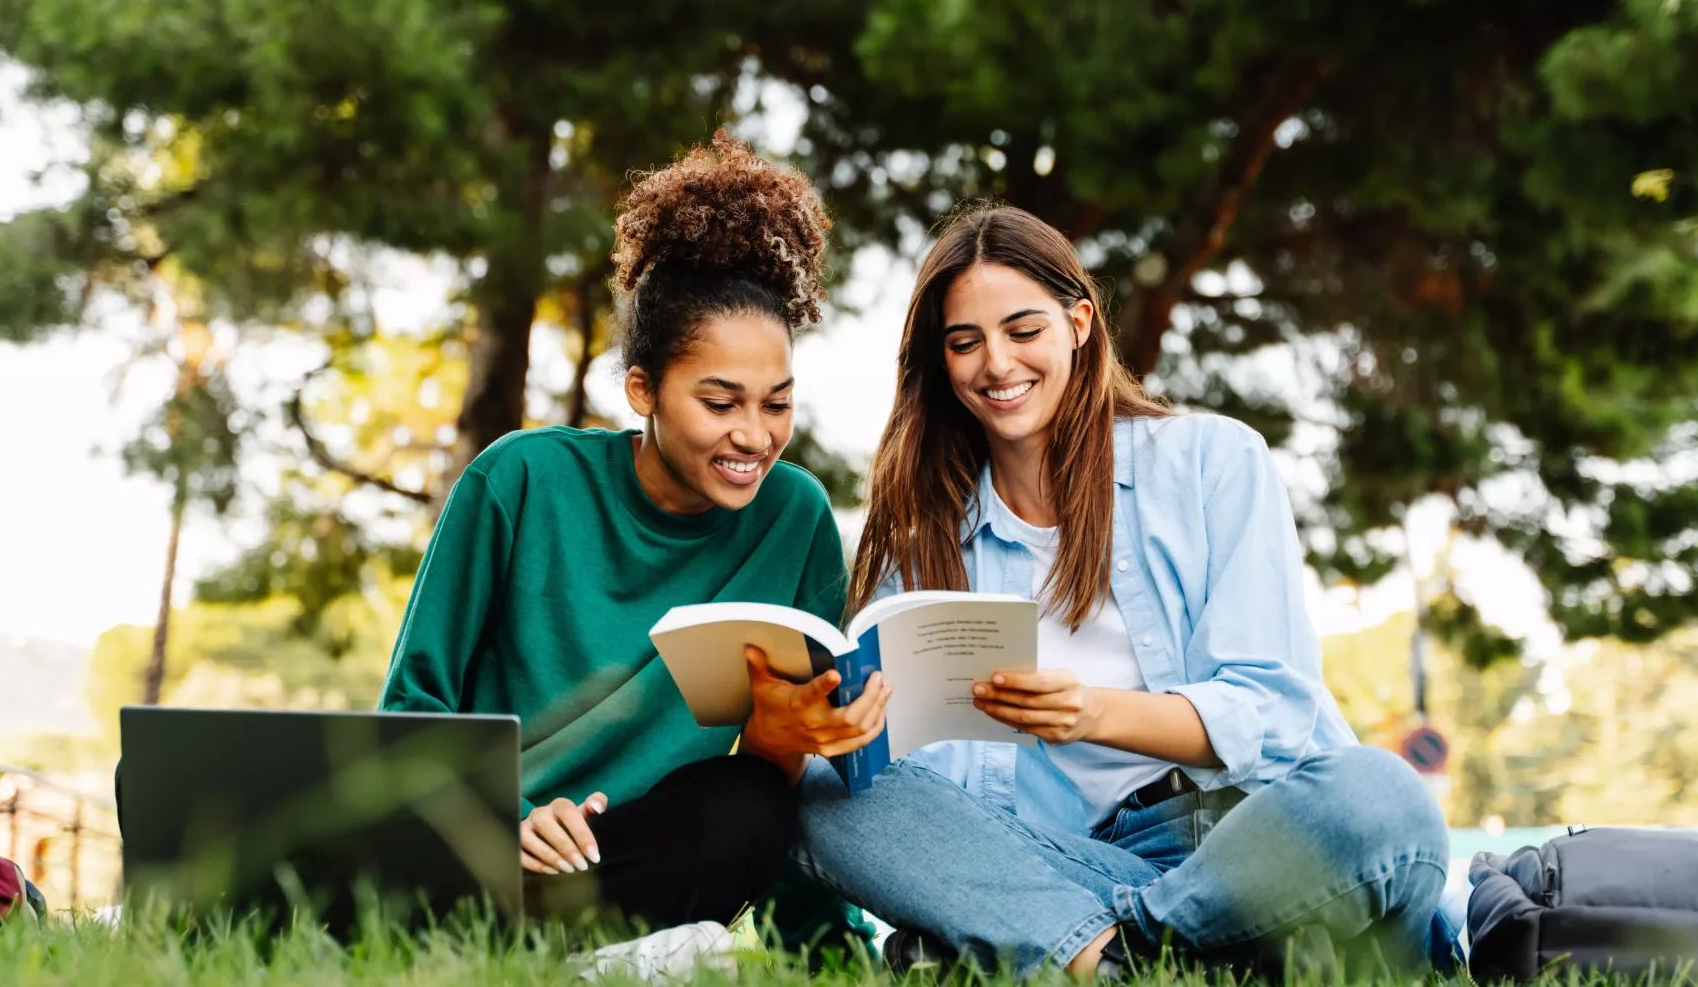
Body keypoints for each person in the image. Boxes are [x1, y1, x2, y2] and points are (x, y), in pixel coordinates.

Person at [793, 205, 1451, 977]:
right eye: (964, 342)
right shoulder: (930, 544)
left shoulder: (1211, 461)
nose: (996, 363)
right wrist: (848, 731)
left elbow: (1273, 711)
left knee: (1381, 796)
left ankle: (1108, 955)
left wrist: (1090, 713)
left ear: (1078, 322)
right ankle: (1131, 951)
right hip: (1081, 864)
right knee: (812, 788)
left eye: (1022, 330)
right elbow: (931, 803)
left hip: (1259, 839)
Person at [379, 132, 890, 936]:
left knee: (747, 806)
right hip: (487, 839)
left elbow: (796, 758)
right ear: (642, 389)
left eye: (776, 402)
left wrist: (826, 946)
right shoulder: (519, 478)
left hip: (636, 856)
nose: (755, 435)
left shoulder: (795, 516)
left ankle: (526, 940)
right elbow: (414, 703)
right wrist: (508, 814)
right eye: (721, 403)